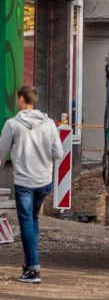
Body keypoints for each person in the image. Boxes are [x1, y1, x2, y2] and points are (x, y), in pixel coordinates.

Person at [0, 86, 64, 283]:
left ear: (21, 99)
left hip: (24, 183)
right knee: (33, 219)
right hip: (44, 182)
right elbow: (59, 154)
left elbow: (1, 154)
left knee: (27, 222)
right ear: (34, 101)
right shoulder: (49, 124)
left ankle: (34, 270)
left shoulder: (12, 125)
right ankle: (29, 265)